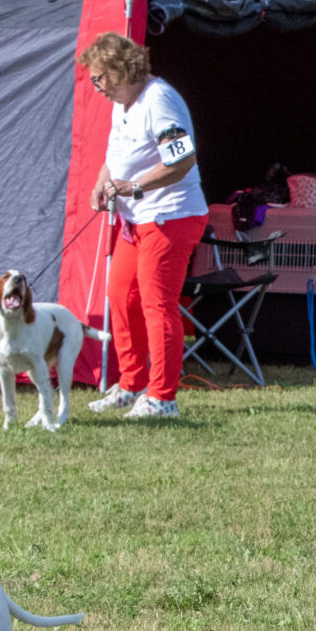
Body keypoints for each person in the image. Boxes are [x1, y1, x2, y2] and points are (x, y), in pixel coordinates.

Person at [77, 33, 205, 421]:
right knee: (121, 296)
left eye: (99, 78)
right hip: (136, 220)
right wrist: (101, 185)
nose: (96, 86)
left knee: (157, 304)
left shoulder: (159, 100)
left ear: (120, 70)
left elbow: (181, 161)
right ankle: (132, 384)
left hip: (170, 217)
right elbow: (114, 156)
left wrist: (132, 186)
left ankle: (163, 398)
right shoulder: (123, 104)